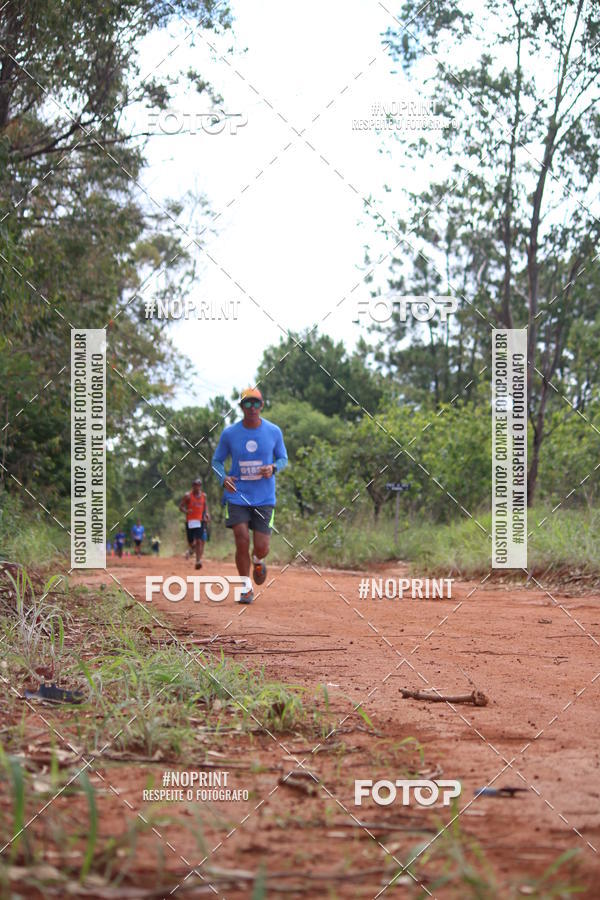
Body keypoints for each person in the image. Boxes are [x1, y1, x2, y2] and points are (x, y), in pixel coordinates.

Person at [211, 387, 288, 604]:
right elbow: (217, 461)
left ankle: (258, 560)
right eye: (247, 403)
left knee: (262, 546)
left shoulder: (274, 432)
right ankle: (245, 588)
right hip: (237, 496)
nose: (252, 408)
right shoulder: (230, 434)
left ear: (262, 406)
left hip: (264, 498)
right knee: (241, 539)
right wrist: (223, 478)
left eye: (256, 403)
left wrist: (273, 467)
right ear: (241, 407)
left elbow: (283, 458)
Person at [179, 478, 210, 570]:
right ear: (193, 486)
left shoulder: (204, 496)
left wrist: (207, 514)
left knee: (200, 541)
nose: (197, 487)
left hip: (200, 521)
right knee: (191, 542)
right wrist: (186, 511)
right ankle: (191, 549)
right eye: (196, 485)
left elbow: (205, 506)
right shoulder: (188, 496)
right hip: (190, 522)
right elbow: (181, 507)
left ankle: (198, 561)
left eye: (199, 485)